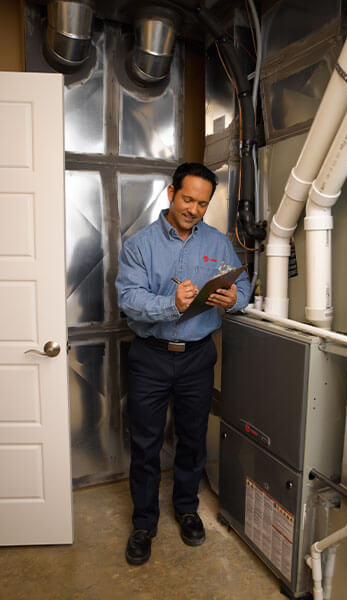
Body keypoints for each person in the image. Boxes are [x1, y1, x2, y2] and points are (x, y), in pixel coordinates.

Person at [116, 162, 251, 565]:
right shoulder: (138, 246)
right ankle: (143, 524)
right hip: (150, 358)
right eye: (188, 199)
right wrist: (169, 304)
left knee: (192, 440)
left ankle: (187, 510)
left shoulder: (218, 242)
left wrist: (235, 298)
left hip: (197, 357)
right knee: (145, 445)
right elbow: (128, 300)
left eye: (203, 204)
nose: (193, 209)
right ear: (171, 192)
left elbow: (241, 284)